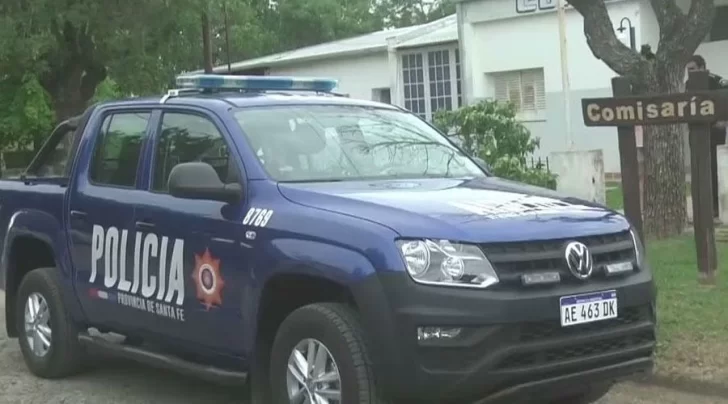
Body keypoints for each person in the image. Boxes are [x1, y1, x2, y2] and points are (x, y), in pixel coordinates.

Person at [686, 55, 728, 219]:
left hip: (714, 133)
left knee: (714, 170)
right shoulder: (688, 85)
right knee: (698, 171)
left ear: (703, 67)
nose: (689, 73)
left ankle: (716, 208)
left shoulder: (717, 82)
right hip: (695, 134)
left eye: (693, 69)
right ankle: (702, 208)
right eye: (688, 70)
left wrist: (724, 121)